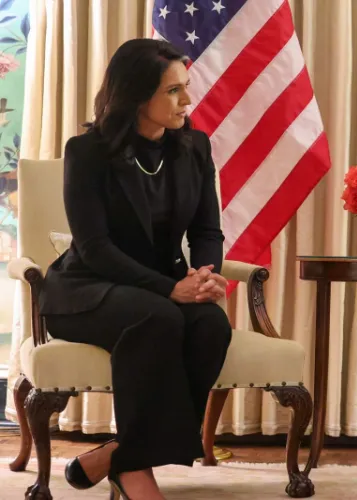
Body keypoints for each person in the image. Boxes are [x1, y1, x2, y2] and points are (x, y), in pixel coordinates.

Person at [39, 39, 232, 500]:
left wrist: (203, 277)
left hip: (160, 289)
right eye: (172, 91)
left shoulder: (195, 147)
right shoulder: (87, 152)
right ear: (136, 95)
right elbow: (94, 247)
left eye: (186, 88)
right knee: (158, 316)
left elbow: (208, 229)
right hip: (88, 289)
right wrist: (172, 290)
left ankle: (122, 452)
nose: (187, 100)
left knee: (210, 326)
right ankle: (133, 472)